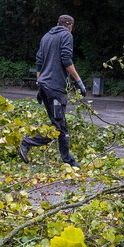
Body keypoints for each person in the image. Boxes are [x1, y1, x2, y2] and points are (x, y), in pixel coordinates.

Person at [21, 14, 84, 166]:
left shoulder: (46, 37)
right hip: (55, 88)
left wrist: (39, 84)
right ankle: (27, 142)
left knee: (61, 126)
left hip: (44, 86)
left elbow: (39, 63)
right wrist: (78, 81)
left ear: (58, 23)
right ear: (70, 26)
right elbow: (66, 59)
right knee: (59, 127)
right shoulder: (66, 35)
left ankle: (68, 161)